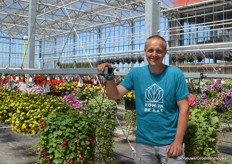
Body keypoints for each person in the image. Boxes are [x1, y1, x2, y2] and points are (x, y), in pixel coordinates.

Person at [98, 35, 189, 164]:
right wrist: (109, 77)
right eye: (150, 50)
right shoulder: (136, 74)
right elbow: (114, 95)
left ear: (164, 53)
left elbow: (184, 109)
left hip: (170, 143)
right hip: (144, 144)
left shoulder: (175, 74)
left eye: (158, 51)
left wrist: (178, 142)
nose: (154, 54)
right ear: (145, 51)